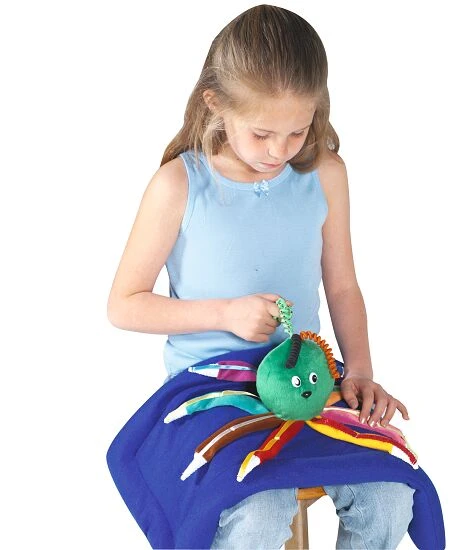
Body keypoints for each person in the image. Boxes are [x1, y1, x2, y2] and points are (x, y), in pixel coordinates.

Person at [108, 5, 414, 549]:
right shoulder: (179, 185)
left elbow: (342, 286)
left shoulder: (326, 175)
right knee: (260, 504)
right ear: (215, 105)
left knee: (390, 496)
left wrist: (361, 370)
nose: (279, 151)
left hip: (310, 380)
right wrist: (225, 313)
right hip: (211, 387)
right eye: (262, 133)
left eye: (297, 131)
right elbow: (124, 304)